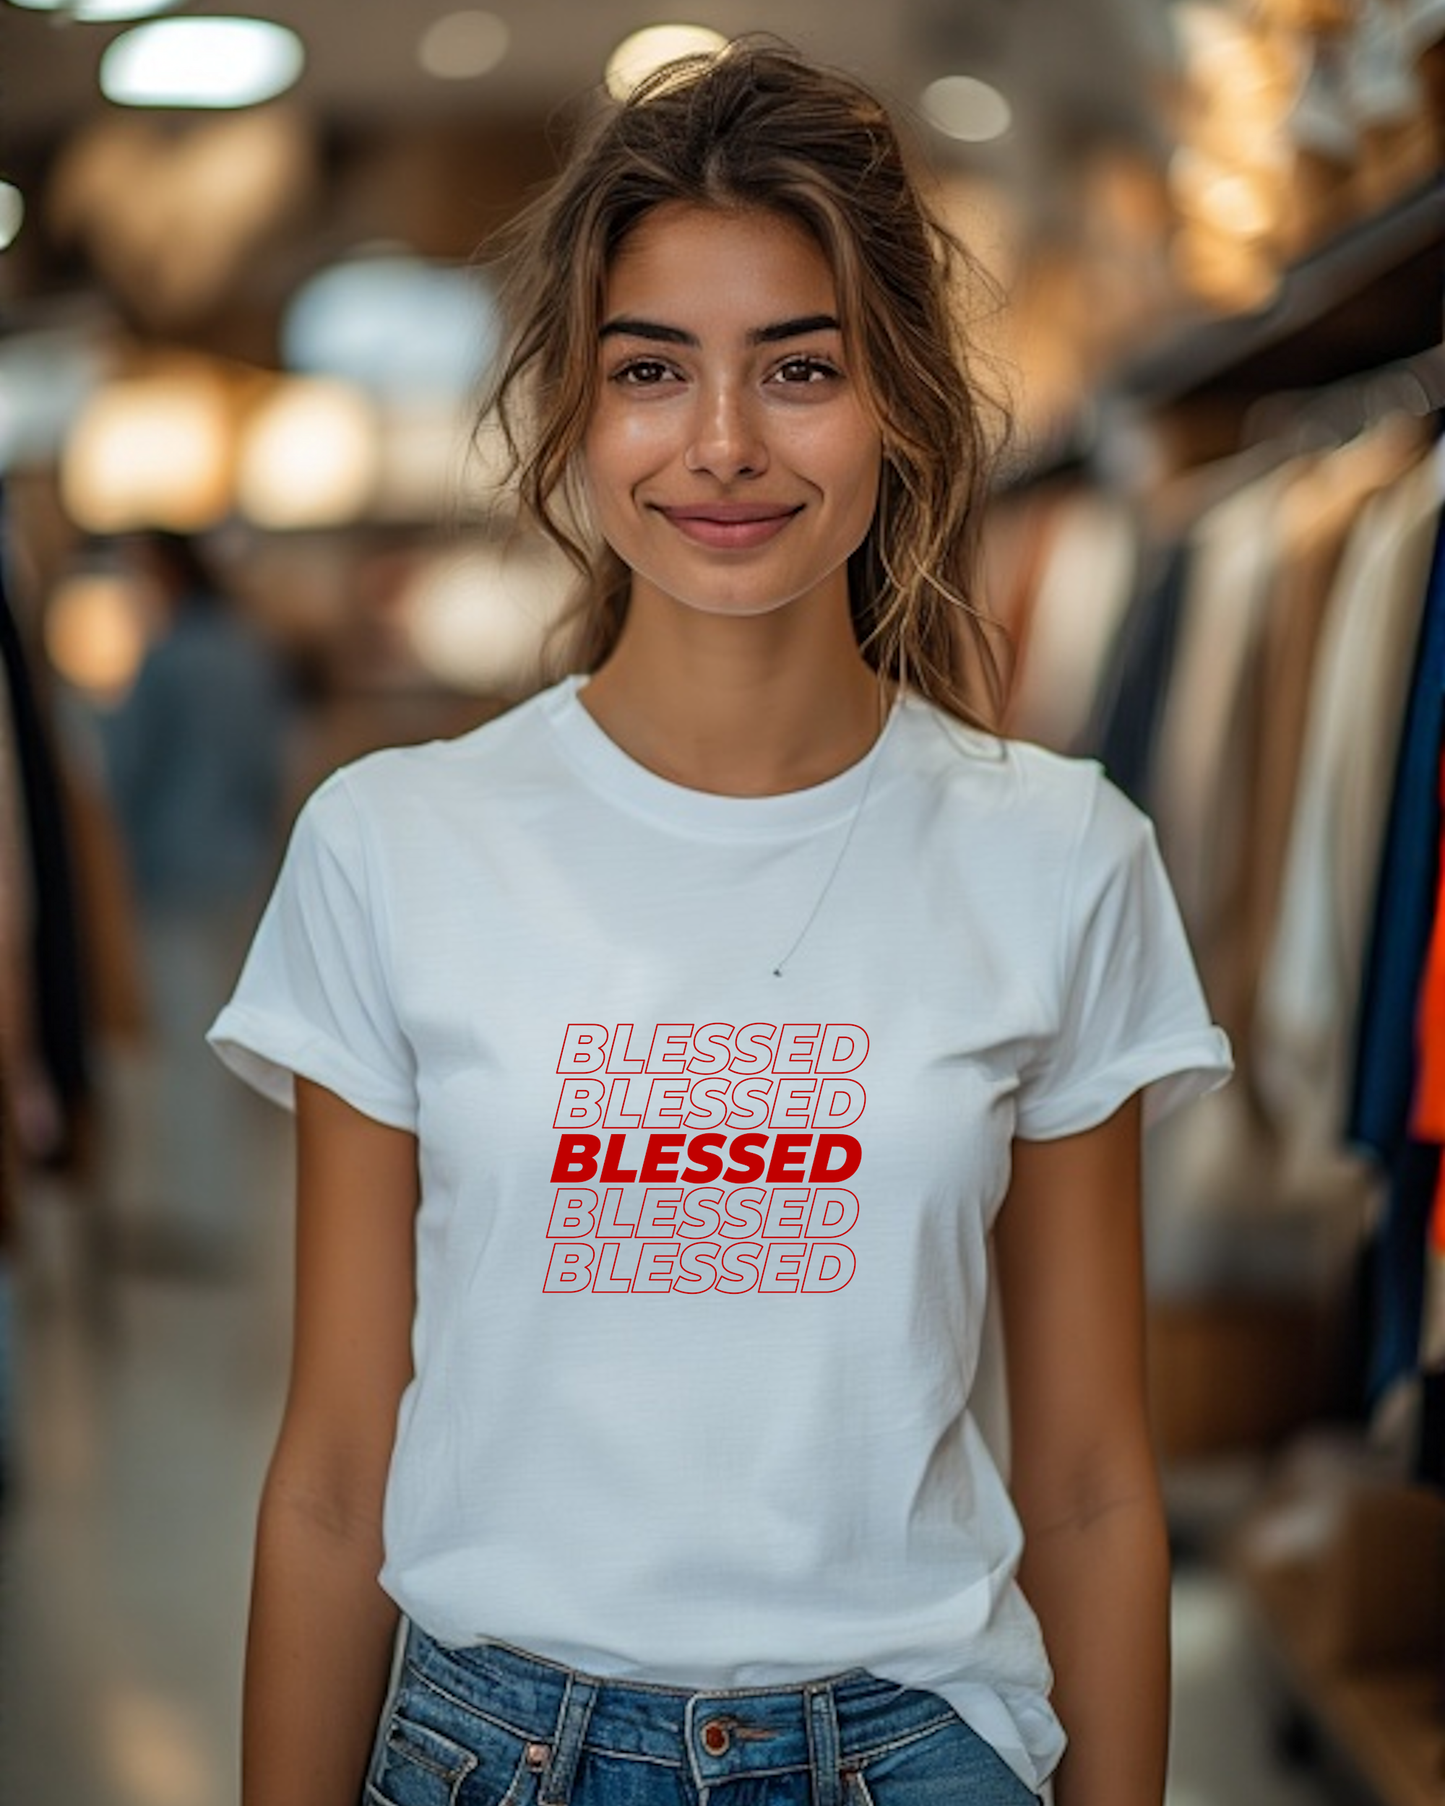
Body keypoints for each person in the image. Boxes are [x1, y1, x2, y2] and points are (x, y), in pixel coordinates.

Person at [209, 41, 1232, 1806]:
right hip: (491, 1754)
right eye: (652, 370)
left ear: (899, 401)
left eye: (800, 367)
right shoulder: (393, 844)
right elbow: (331, 1472)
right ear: (576, 410)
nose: (725, 442)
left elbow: (1086, 1479)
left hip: (917, 1747)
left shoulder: (1060, 853)